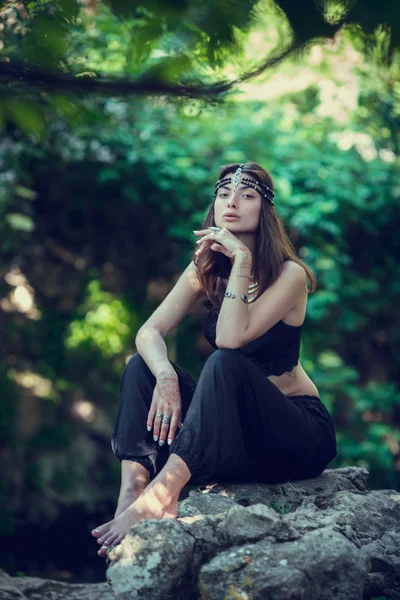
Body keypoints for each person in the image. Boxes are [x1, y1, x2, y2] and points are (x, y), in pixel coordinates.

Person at [91, 161, 337, 557]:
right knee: (143, 367)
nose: (232, 203)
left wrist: (241, 261)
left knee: (225, 363)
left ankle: (163, 493)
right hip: (235, 442)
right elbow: (148, 332)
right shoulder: (205, 268)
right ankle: (131, 494)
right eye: (224, 194)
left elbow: (230, 339)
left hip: (295, 435)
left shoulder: (291, 275)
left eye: (247, 195)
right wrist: (166, 377)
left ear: (266, 210)